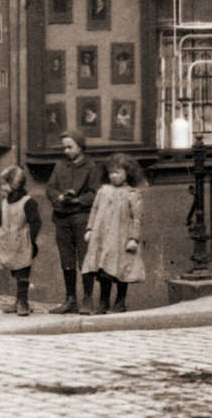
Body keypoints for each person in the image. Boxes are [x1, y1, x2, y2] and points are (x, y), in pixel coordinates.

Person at [79, 152, 146, 315]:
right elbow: (94, 210)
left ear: (127, 173)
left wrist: (133, 238)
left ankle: (120, 301)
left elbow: (137, 218)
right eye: (111, 172)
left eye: (118, 172)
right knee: (103, 270)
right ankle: (103, 302)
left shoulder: (132, 194)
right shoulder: (103, 191)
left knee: (122, 269)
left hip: (121, 237)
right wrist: (89, 228)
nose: (113, 176)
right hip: (102, 236)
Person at [44, 131, 102, 314]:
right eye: (64, 147)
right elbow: (50, 188)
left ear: (81, 147)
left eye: (70, 147)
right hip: (62, 218)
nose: (66, 151)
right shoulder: (60, 166)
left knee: (84, 259)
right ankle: (70, 299)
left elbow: (95, 193)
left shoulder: (92, 167)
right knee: (66, 259)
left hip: (81, 218)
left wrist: (77, 200)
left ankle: (87, 299)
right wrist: (59, 197)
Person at [0, 166, 41, 316]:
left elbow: (36, 222)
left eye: (4, 184)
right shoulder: (5, 201)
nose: (1, 187)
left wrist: (30, 240)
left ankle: (23, 302)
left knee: (23, 273)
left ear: (14, 185)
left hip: (22, 242)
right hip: (9, 242)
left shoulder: (28, 202)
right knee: (15, 271)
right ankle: (17, 301)